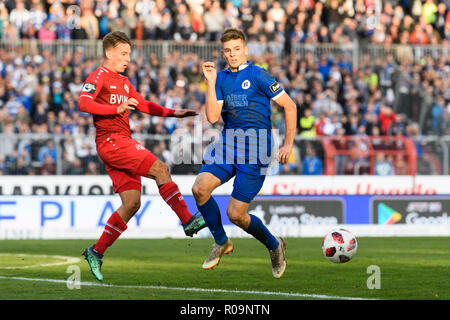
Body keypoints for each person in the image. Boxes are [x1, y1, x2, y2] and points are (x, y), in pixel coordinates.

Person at [78, 31, 206, 281]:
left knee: (132, 203)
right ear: (109, 53)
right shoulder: (99, 77)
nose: (128, 58)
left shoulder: (124, 82)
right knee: (161, 169)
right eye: (123, 53)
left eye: (129, 53)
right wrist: (116, 108)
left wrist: (173, 114)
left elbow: (143, 104)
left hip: (120, 142)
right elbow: (83, 104)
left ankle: (96, 251)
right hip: (111, 141)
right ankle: (187, 220)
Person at [192, 28, 297, 278]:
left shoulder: (258, 76)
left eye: (237, 49)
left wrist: (287, 144)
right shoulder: (220, 79)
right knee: (199, 188)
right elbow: (213, 117)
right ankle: (221, 241)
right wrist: (210, 83)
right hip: (229, 145)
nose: (233, 54)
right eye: (228, 50)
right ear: (223, 53)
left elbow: (290, 106)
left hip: (257, 151)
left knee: (235, 214)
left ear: (245, 50)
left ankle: (274, 245)